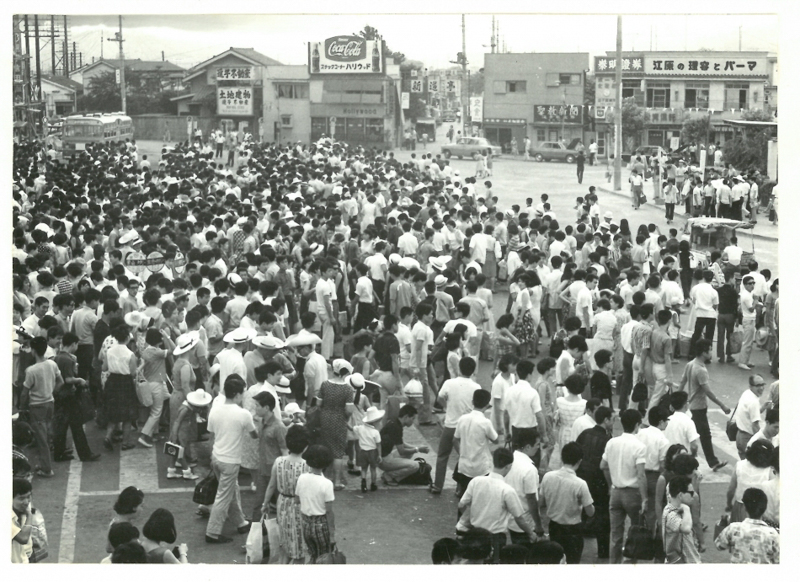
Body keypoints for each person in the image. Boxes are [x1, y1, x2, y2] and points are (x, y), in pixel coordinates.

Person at [456, 448, 539, 563]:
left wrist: (474, 517)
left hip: (475, 534)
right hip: (495, 538)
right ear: (508, 466)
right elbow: (519, 518)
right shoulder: (507, 490)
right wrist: (531, 533)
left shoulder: (476, 481)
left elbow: (461, 505)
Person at [205, 374, 258, 544]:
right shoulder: (243, 414)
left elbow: (211, 434)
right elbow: (254, 434)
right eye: (242, 393)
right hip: (230, 460)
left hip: (217, 457)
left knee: (231, 490)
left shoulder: (215, 409)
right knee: (223, 496)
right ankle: (212, 532)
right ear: (236, 394)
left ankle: (241, 522)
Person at [601, 409, 648, 563]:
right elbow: (641, 475)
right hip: (632, 493)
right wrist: (645, 498)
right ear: (636, 425)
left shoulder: (612, 442)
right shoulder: (639, 446)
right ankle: (631, 564)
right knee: (635, 531)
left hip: (615, 492)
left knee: (615, 535)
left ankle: (613, 565)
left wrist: (610, 484)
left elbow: (603, 465)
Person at [677, 338, 731, 471]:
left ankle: (709, 461)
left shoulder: (690, 364)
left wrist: (677, 399)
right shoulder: (701, 370)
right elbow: (708, 392)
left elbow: (682, 382)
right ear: (703, 352)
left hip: (691, 406)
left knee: (698, 434)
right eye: (710, 350)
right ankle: (710, 462)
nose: (711, 352)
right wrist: (722, 405)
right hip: (698, 407)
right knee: (704, 435)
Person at [539, 442, 595, 564]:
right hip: (573, 531)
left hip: (554, 526)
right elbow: (590, 512)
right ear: (579, 461)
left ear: (562, 457)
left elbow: (541, 503)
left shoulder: (548, 477)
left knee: (555, 562)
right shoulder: (580, 484)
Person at [262, 425, 311, 564]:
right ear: (306, 446)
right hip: (300, 507)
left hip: (282, 503)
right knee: (299, 547)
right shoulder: (307, 466)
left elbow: (271, 485)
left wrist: (265, 503)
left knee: (285, 542)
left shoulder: (279, 461)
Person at [433, 356, 481, 494]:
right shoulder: (476, 387)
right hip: (467, 427)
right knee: (464, 456)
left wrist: (447, 408)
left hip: (451, 425)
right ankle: (461, 488)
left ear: (459, 368)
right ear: (472, 371)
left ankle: (438, 486)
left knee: (442, 456)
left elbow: (439, 398)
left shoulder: (449, 383)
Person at [20, 336, 62, 477]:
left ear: (33, 350)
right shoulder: (52, 364)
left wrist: (21, 407)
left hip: (37, 406)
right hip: (50, 402)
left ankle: (47, 468)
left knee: (41, 438)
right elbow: (60, 382)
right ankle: (45, 462)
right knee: (48, 433)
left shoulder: (31, 370)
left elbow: (25, 393)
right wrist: (51, 392)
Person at [318, 359, 356, 491]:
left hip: (324, 418)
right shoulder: (347, 389)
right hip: (339, 420)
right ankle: (337, 481)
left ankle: (323, 478)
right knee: (338, 451)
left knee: (325, 447)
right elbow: (349, 410)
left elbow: (318, 404)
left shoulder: (324, 385)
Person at [715, 487, 779, 564]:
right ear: (764, 508)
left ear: (744, 507)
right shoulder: (773, 534)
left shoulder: (733, 528)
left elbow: (719, 545)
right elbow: (777, 559)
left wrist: (722, 525)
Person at [453, 389, 499, 495]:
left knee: (464, 497)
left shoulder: (462, 419)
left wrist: (462, 454)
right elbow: (496, 440)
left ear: (472, 402)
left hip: (464, 467)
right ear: (487, 405)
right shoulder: (485, 422)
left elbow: (455, 440)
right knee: (481, 496)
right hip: (481, 468)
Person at [296, 444, 337, 562]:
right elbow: (329, 511)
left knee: (313, 555)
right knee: (323, 557)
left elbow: (297, 500)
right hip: (321, 524)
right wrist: (332, 535)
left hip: (306, 524)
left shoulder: (301, 478)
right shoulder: (327, 483)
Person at [505, 432, 546, 546]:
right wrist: (538, 525)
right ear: (528, 446)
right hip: (527, 521)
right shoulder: (529, 469)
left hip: (512, 518)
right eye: (537, 444)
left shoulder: (509, 460)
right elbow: (531, 499)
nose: (539, 447)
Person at [637, 407, 671, 536]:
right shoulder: (663, 440)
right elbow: (663, 464)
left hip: (639, 473)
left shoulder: (640, 433)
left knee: (639, 509)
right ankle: (649, 540)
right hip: (653, 476)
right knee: (652, 510)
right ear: (661, 422)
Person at [726, 440, 776, 523]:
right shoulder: (769, 470)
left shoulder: (739, 465)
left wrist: (729, 503)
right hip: (761, 509)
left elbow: (731, 489)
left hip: (741, 505)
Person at [379, 404, 429, 485]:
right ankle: (389, 475)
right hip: (384, 460)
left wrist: (417, 448)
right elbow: (402, 451)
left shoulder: (395, 422)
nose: (413, 422)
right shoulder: (396, 427)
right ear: (406, 417)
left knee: (411, 451)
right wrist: (418, 450)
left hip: (384, 456)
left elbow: (401, 443)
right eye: (412, 419)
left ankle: (390, 471)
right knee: (415, 466)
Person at [661, 475, 702, 563]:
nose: (694, 495)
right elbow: (686, 528)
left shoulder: (678, 507)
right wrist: (686, 508)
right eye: (691, 493)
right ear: (680, 495)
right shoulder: (670, 514)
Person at [733, 375, 766, 459]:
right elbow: (755, 425)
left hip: (739, 436)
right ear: (751, 386)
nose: (761, 388)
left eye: (763, 384)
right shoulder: (753, 402)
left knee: (744, 466)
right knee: (753, 467)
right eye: (758, 385)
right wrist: (763, 440)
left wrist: (763, 408)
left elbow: (750, 414)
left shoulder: (747, 393)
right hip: (748, 438)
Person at [353, 406, 385, 492]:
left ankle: (363, 483)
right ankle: (373, 484)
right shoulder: (376, 432)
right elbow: (378, 445)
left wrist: (347, 423)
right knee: (373, 469)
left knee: (364, 469)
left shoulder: (360, 428)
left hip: (362, 451)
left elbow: (353, 428)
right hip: (373, 452)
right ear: (374, 422)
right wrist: (380, 455)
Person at [105, 486, 145, 553]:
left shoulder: (114, 522)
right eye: (141, 506)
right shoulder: (125, 529)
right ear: (134, 507)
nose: (142, 509)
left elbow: (108, 548)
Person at [737, 275, 760, 370]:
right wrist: (756, 300)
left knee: (749, 342)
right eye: (750, 283)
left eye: (753, 283)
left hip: (750, 319)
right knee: (747, 342)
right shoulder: (746, 295)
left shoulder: (748, 293)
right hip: (748, 319)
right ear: (745, 285)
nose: (752, 285)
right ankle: (742, 362)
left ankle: (746, 360)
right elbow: (751, 309)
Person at [12, 478, 34, 563]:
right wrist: (30, 515)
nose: (26, 502)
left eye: (28, 497)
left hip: (25, 557)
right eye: (21, 498)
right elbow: (23, 538)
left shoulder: (23, 507)